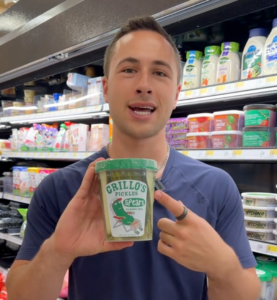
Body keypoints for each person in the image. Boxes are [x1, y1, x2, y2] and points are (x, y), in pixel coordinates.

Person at [6, 16, 260, 300]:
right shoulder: (59, 189)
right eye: (129, 69)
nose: (144, 85)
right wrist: (58, 251)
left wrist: (222, 266)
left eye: (160, 73)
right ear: (105, 88)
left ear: (176, 94)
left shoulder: (216, 187)